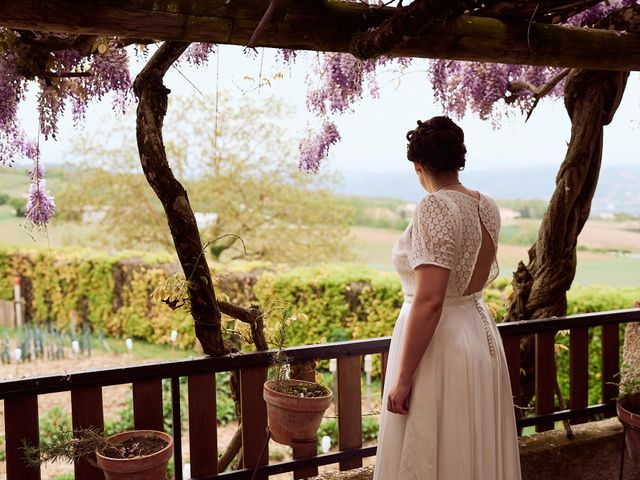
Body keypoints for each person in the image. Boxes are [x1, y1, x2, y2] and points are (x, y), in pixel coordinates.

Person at [373, 116, 522, 480]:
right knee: (468, 442)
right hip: (478, 331)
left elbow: (430, 300)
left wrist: (404, 376)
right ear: (459, 159)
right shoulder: (486, 205)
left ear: (418, 166)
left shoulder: (435, 206)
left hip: (440, 346)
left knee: (435, 447)